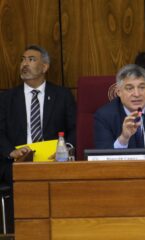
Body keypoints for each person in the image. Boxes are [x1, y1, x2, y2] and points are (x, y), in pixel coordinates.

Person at [0, 44, 76, 232]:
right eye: (22, 60)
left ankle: (60, 230)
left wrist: (65, 149)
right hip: (17, 163)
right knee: (21, 179)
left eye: (31, 59)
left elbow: (74, 129)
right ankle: (26, 231)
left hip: (55, 161)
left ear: (45, 67)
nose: (24, 64)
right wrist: (11, 151)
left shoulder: (62, 95)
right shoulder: (7, 98)